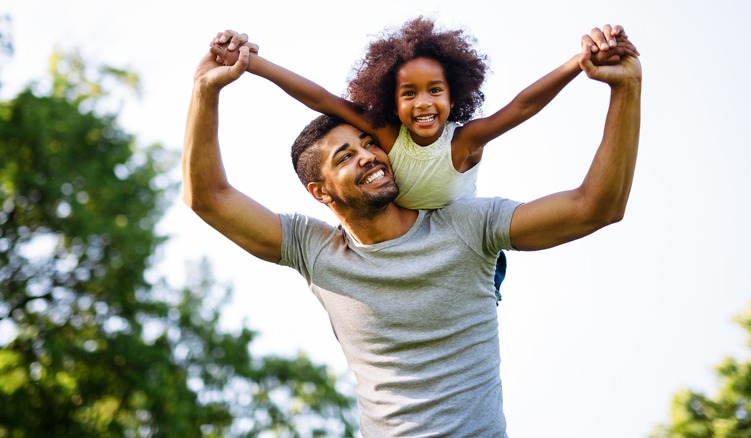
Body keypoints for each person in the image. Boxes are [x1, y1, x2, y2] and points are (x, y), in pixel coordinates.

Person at [182, 24, 641, 437]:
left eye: (367, 143)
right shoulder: (316, 250)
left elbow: (595, 207)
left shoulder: (468, 226)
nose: (367, 155)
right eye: (344, 157)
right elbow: (209, 197)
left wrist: (626, 89)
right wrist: (205, 90)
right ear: (320, 193)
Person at [208, 19, 639, 303]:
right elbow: (320, 97)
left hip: (462, 252)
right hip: (401, 247)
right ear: (390, 102)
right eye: (408, 94)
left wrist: (575, 65)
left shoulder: (463, 143)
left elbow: (521, 106)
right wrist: (255, 65)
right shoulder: (384, 137)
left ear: (454, 96)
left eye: (435, 90)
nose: (423, 103)